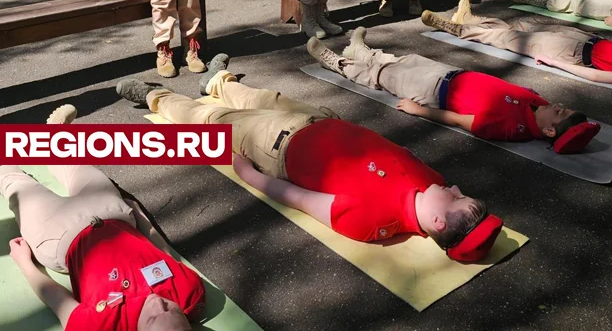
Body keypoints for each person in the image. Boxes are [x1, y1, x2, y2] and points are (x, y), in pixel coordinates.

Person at [115, 60, 504, 263]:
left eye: (456, 199)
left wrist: (250, 175)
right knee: (260, 96)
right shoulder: (433, 179)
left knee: (210, 122)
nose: (454, 188)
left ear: (438, 223)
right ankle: (219, 82)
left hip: (276, 146)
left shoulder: (372, 221)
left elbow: (300, 198)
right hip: (318, 118)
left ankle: (156, 97)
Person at [0, 105, 204, 330]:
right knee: (77, 166)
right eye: (171, 309)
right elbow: (165, 254)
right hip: (113, 214)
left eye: (152, 318)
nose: (158, 302)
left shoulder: (99, 326)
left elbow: (56, 299)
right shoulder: (190, 292)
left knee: (18, 189)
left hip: (60, 239)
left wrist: (24, 261)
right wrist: (141, 218)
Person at [306, 28, 600, 152]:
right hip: (451, 75)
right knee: (404, 61)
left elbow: (460, 121)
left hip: (435, 93)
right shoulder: (539, 105)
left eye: (560, 112)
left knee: (384, 76)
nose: (557, 105)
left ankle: (340, 63)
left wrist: (419, 110)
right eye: (563, 106)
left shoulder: (513, 128)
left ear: (549, 131)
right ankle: (362, 51)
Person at [422, 0, 612, 95]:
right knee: (522, 27)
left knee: (506, 39)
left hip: (572, 53)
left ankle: (456, 28)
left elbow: (599, 76)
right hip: (585, 40)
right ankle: (473, 19)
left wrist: (555, 63)